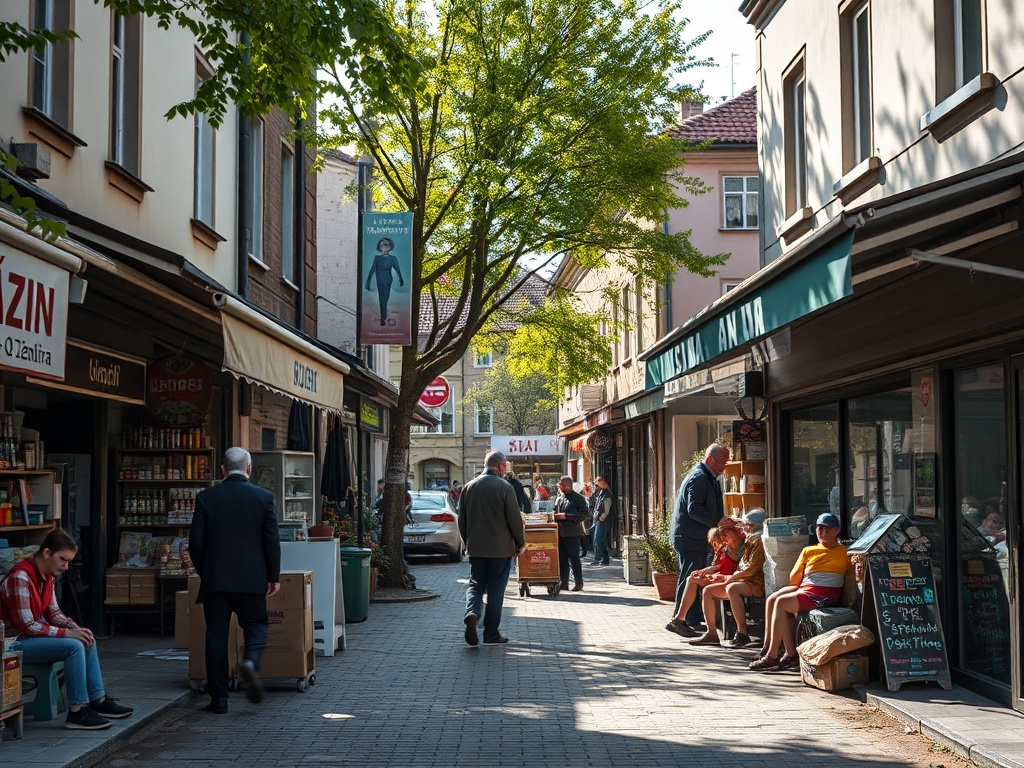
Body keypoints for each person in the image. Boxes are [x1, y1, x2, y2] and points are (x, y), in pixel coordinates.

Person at [0, 529, 134, 730]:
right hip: (10, 644)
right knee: (73, 646)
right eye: (63, 559)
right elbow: (27, 624)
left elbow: (53, 613)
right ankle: (77, 711)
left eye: (69, 561)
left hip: (27, 638)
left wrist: (75, 628)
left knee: (86, 639)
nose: (66, 566)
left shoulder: (48, 577)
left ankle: (98, 700)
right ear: (46, 553)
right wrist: (67, 634)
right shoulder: (20, 576)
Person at [190, 446, 281, 713]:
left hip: (216, 580)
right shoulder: (263, 497)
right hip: (252, 579)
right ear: (249, 469)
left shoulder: (206, 497)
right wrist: (272, 576)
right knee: (256, 624)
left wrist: (205, 572)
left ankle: (218, 699)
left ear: (223, 469)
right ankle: (250, 661)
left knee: (215, 636)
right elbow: (271, 540)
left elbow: (196, 542)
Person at [748, 512, 849, 672]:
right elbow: (794, 579)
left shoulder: (845, 552)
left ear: (837, 530)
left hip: (823, 596)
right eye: (820, 528)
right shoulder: (808, 550)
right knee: (773, 598)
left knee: (781, 603)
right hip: (808, 589)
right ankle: (783, 651)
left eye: (827, 528)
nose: (823, 531)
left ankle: (772, 656)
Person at [457, 451, 526, 646]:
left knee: (475, 584)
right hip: (500, 549)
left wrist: (467, 542)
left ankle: (472, 611)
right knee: (496, 590)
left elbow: (462, 519)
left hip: (477, 548)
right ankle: (491, 634)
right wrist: (520, 542)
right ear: (501, 466)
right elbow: (514, 519)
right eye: (506, 465)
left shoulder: (469, 487)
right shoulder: (505, 487)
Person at [667, 443, 730, 634]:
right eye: (720, 463)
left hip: (693, 536)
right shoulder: (700, 477)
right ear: (710, 459)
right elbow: (693, 509)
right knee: (690, 576)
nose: (723, 467)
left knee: (694, 575)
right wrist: (718, 520)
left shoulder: (707, 476)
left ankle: (691, 618)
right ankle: (679, 619)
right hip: (690, 536)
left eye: (725, 463)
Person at [680, 523, 766, 648]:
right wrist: (718, 574)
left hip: (754, 582)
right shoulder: (749, 541)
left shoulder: (757, 541)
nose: (743, 529)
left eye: (746, 527)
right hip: (740, 579)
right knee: (708, 591)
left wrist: (726, 577)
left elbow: (751, 570)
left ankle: (742, 633)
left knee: (732, 588)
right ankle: (711, 633)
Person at [553, 475, 588, 591]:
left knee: (574, 558)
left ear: (567, 486)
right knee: (562, 558)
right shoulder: (560, 498)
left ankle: (579, 582)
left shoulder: (578, 498)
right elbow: (555, 511)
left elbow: (584, 515)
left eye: (561, 484)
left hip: (573, 533)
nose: (559, 486)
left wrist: (566, 516)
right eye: (559, 484)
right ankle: (564, 582)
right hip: (560, 532)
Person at [364, 236, 405, 326]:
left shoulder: (393, 258)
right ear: (379, 247)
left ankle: (383, 316)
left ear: (390, 247)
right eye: (383, 245)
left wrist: (401, 279)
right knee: (382, 300)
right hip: (380, 280)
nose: (385, 247)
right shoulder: (377, 258)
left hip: (387, 280)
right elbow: (372, 270)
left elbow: (397, 269)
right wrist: (368, 282)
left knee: (385, 299)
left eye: (387, 245)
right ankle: (383, 317)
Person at [590, 476, 614, 566]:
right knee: (596, 540)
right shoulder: (601, 493)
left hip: (602, 521)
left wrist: (601, 518)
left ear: (604, 482)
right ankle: (598, 558)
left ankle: (605, 558)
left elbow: (606, 509)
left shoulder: (607, 495)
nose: (597, 483)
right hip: (597, 519)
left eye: (599, 481)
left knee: (598, 539)